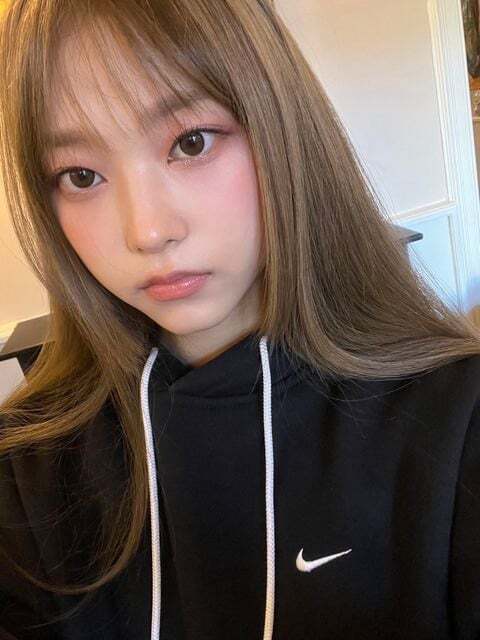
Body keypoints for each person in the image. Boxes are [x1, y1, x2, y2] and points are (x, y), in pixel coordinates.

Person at [0, 1, 479, 638]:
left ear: (281, 129)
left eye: (190, 142)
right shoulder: (26, 471)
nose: (147, 231)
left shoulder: (458, 424)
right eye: (81, 175)